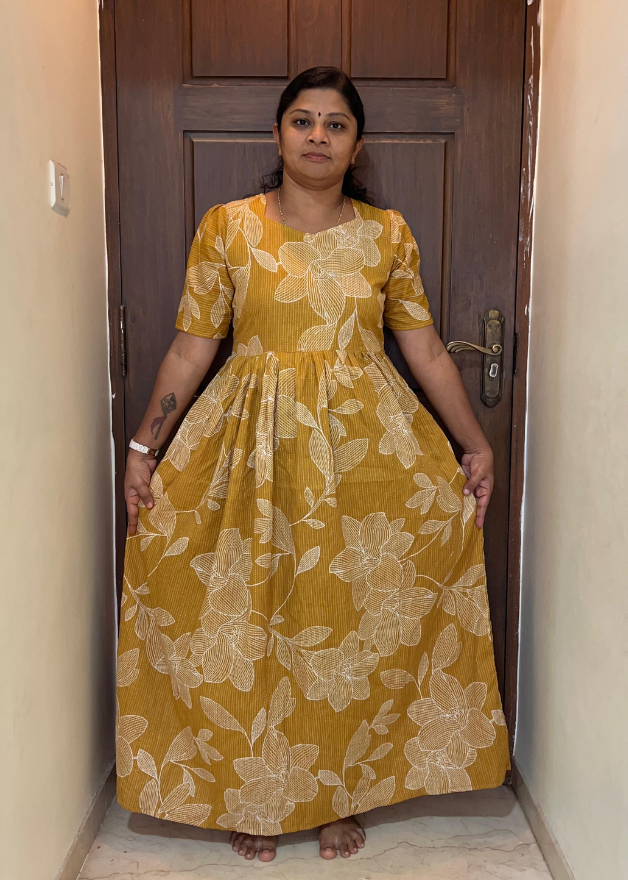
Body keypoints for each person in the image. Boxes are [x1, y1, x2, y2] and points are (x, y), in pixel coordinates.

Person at [115, 66, 510, 863]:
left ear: (357, 145)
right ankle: (255, 794)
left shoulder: (388, 234)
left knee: (349, 619)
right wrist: (143, 448)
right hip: (247, 450)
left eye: (336, 124)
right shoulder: (228, 228)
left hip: (365, 452)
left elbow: (425, 350)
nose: (318, 136)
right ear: (277, 134)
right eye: (303, 121)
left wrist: (473, 442)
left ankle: (339, 795)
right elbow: (192, 347)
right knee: (249, 617)